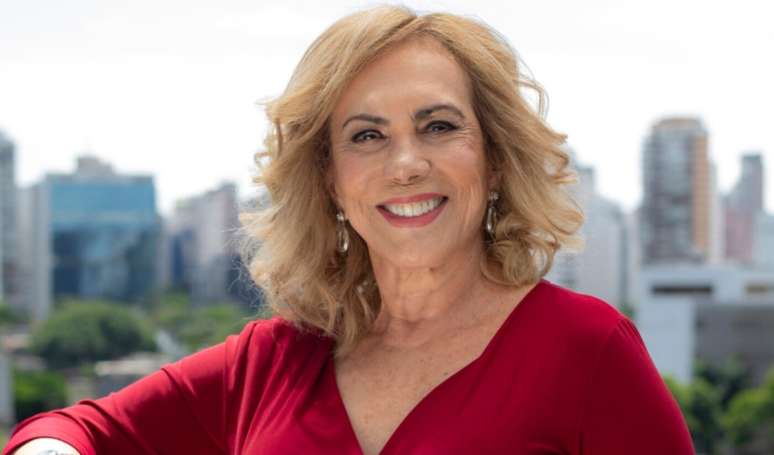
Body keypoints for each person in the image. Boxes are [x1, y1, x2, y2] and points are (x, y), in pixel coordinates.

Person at [4, 6, 695, 455]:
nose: (405, 163)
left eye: (439, 126)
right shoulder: (273, 361)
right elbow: (79, 429)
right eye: (367, 135)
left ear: (493, 161)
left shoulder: (586, 350)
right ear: (331, 180)